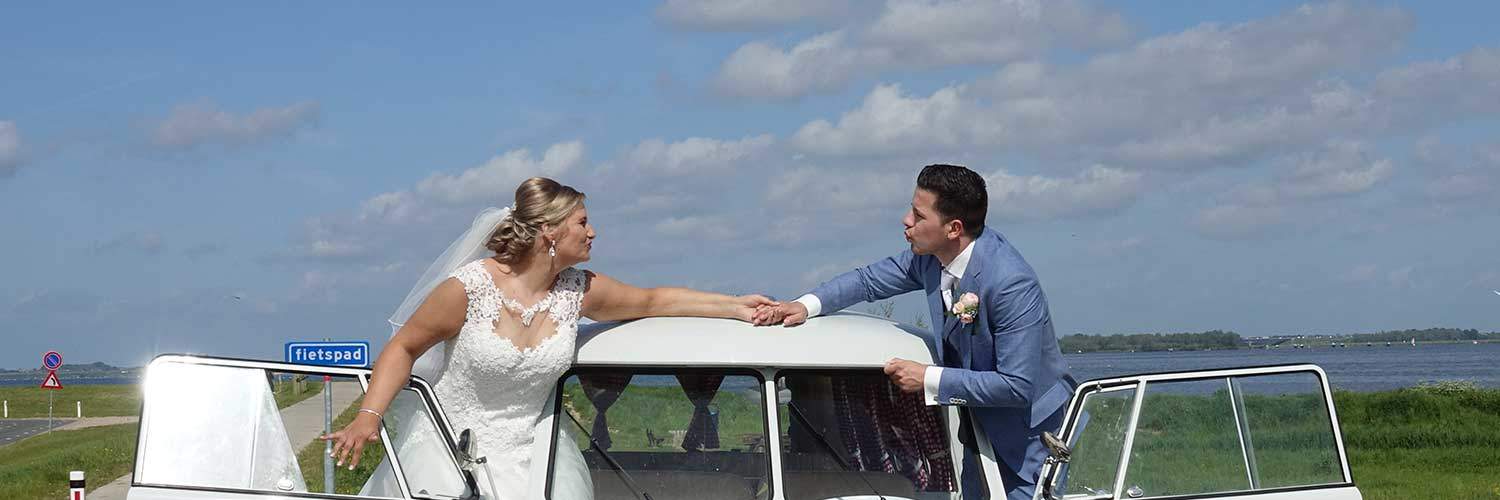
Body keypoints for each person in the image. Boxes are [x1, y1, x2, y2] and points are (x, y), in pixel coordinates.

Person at [321, 177, 776, 499]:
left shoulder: (579, 290)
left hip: (534, 456)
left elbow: (655, 300)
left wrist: (737, 306)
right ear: (549, 232)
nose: (592, 232)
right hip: (448, 450)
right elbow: (404, 347)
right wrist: (368, 416)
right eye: (582, 222)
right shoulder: (467, 289)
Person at [753, 164, 1074, 500]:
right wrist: (805, 305)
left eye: (919, 216)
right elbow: (868, 281)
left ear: (953, 228)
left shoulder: (1011, 283)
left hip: (1029, 437)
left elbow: (1017, 385)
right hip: (978, 430)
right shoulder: (930, 258)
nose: (906, 221)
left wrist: (927, 378)